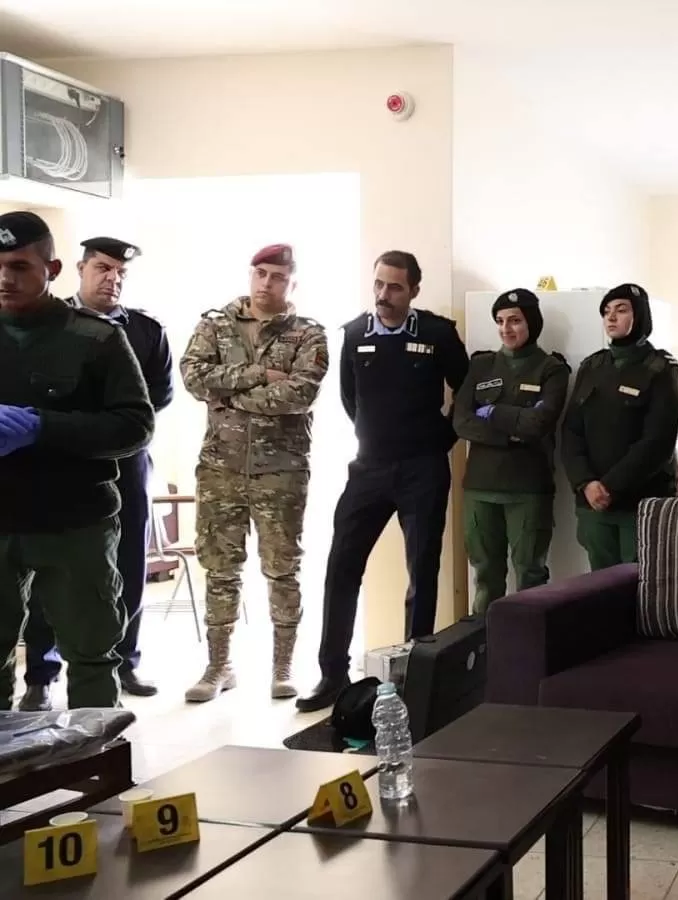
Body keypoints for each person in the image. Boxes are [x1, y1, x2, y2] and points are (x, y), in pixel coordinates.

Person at [298, 251, 468, 712]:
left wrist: (442, 437)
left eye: (394, 287)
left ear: (414, 290)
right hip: (368, 469)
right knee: (341, 566)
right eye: (378, 284)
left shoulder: (437, 333)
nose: (383, 294)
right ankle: (332, 673)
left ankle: (415, 673)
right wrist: (373, 437)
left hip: (422, 468)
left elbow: (467, 389)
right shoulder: (355, 334)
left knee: (422, 572)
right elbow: (349, 399)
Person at [0, 211, 154, 710]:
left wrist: (43, 427)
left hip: (74, 521)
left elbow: (135, 425)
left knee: (92, 655)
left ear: (52, 269)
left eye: (19, 266)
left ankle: (97, 756)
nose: (5, 277)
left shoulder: (97, 338)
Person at [179, 244, 328, 703]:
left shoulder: (308, 334)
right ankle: (218, 666)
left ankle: (282, 667)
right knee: (219, 570)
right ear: (251, 274)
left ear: (292, 282)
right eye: (260, 273)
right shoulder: (215, 325)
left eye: (277, 276)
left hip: (280, 472)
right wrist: (259, 374)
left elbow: (299, 394)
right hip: (220, 469)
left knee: (282, 569)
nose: (266, 283)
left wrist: (228, 394)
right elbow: (193, 376)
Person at [454, 289, 570, 613]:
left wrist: (493, 414)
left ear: (531, 322)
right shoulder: (481, 365)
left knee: (530, 576)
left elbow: (539, 424)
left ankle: (530, 642)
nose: (506, 328)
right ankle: (482, 641)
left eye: (515, 320)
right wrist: (513, 434)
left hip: (527, 489)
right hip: (481, 487)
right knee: (486, 577)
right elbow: (461, 421)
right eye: (500, 321)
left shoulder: (551, 369)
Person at [562, 283, 678, 569]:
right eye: (606, 312)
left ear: (639, 316)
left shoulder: (661, 368)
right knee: (600, 586)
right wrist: (585, 483)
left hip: (640, 504)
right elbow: (571, 431)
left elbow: (658, 442)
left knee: (640, 583)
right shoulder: (592, 366)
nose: (611, 317)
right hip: (593, 503)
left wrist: (610, 486)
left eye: (621, 310)